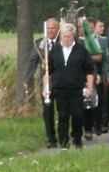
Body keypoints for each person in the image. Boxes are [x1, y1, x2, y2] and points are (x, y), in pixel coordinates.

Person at [47, 19, 97, 148]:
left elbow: (89, 70)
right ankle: (63, 142)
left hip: (76, 88)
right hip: (59, 88)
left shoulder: (81, 50)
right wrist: (46, 88)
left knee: (77, 115)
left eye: (69, 36)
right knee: (63, 115)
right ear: (61, 36)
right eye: (64, 36)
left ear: (73, 36)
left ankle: (77, 137)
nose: (66, 39)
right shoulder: (55, 50)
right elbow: (48, 71)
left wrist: (89, 87)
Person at [24, 18, 61, 147]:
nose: (50, 31)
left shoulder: (64, 42)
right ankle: (51, 139)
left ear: (58, 29)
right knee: (47, 111)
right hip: (45, 83)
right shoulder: (39, 44)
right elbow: (32, 62)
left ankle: (64, 136)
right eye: (48, 28)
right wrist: (27, 79)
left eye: (53, 28)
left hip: (61, 81)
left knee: (63, 110)